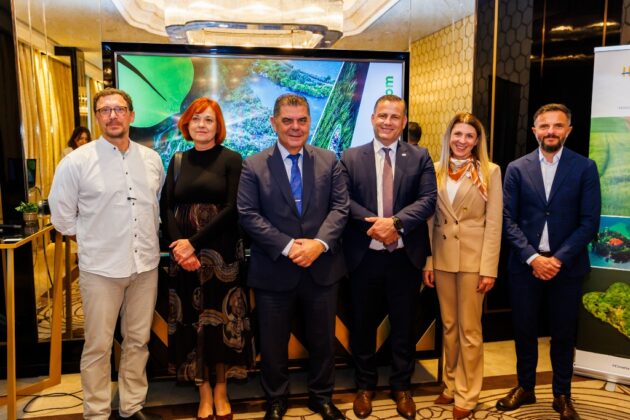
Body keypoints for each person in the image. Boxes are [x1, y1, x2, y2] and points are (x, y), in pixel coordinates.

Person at [48, 88, 165, 420]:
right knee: (98, 346)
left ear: (131, 115)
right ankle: (97, 412)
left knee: (138, 341)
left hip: (145, 266)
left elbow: (154, 206)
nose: (113, 115)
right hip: (101, 269)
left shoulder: (152, 160)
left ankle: (131, 406)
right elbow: (62, 218)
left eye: (119, 109)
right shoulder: (76, 162)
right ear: (97, 117)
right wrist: (96, 240)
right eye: (105, 110)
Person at [237, 93, 349, 420]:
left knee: (323, 340)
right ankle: (276, 400)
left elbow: (340, 208)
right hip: (274, 269)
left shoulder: (329, 160)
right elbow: (248, 214)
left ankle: (321, 397)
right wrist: (289, 246)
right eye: (287, 121)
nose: (295, 127)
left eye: (302, 120)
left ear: (310, 122)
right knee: (273, 343)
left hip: (322, 267)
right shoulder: (254, 164)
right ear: (274, 123)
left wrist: (318, 244)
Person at [497, 103, 601, 420]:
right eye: (544, 126)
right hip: (524, 266)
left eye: (557, 126)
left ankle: (562, 394)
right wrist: (532, 257)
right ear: (534, 131)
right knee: (524, 330)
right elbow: (507, 219)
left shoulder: (585, 167)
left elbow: (589, 222)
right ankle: (525, 387)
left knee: (563, 334)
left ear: (568, 130)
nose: (550, 131)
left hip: (566, 268)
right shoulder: (517, 168)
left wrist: (557, 259)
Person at [341, 94, 437, 420]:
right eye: (382, 115)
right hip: (363, 257)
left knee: (404, 326)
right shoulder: (350, 157)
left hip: (404, 258)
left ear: (404, 121)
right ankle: (364, 386)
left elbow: (428, 199)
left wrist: (395, 223)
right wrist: (376, 226)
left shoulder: (420, 157)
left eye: (395, 117)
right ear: (372, 118)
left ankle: (402, 387)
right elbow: (344, 200)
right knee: (362, 325)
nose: (388, 122)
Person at [160, 97, 252, 420]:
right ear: (187, 123)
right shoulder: (178, 160)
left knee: (221, 322)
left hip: (221, 255)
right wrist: (180, 248)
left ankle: (221, 391)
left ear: (218, 126)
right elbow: (166, 207)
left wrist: (193, 243)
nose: (201, 124)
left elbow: (232, 208)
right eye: (196, 118)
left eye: (208, 120)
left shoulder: (232, 159)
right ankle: (203, 393)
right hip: (184, 258)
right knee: (193, 323)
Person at [422, 112, 502, 419]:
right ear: (449, 136)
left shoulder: (490, 172)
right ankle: (451, 383)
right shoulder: (436, 169)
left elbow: (494, 224)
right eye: (458, 134)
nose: (462, 140)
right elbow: (430, 221)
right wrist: (429, 261)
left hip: (473, 260)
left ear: (477, 140)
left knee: (470, 329)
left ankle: (468, 393)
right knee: (449, 326)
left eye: (469, 135)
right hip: (442, 257)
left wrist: (489, 269)